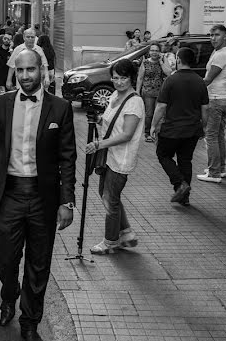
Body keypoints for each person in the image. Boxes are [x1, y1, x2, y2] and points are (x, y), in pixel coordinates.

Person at [0, 49, 77, 341]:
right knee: (5, 258)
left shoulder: (60, 108)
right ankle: (9, 296)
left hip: (43, 197)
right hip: (9, 194)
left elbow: (67, 157)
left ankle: (30, 323)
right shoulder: (1, 104)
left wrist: (67, 201)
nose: (25, 76)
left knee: (39, 263)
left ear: (42, 70)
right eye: (20, 71)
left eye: (31, 70)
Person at [85, 60, 144, 254]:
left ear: (131, 78)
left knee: (110, 199)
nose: (118, 82)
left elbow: (126, 134)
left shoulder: (135, 102)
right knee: (109, 196)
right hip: (109, 156)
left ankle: (110, 241)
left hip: (121, 159)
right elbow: (111, 122)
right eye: (115, 77)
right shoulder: (113, 96)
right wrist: (99, 118)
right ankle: (126, 232)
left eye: (123, 78)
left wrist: (98, 144)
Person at [150, 48, 209, 206]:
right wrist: (203, 127)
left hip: (172, 129)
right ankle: (184, 197)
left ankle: (180, 184)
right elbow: (205, 109)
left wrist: (153, 125)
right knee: (185, 160)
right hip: (192, 130)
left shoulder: (171, 80)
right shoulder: (200, 81)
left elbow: (161, 106)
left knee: (163, 155)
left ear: (178, 60)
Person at [197, 25, 226, 183]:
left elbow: (207, 79)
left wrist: (191, 87)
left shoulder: (221, 54)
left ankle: (214, 173)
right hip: (224, 98)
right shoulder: (225, 52)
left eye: (217, 35)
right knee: (218, 135)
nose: (213, 38)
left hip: (216, 98)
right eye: (211, 35)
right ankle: (220, 169)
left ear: (225, 36)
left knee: (211, 136)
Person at [136, 43, 167, 142]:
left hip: (160, 92)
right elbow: (140, 78)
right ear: (149, 52)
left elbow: (169, 73)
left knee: (159, 114)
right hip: (148, 92)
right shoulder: (145, 62)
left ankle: (157, 133)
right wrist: (137, 91)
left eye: (156, 50)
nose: (154, 52)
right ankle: (148, 133)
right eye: (152, 50)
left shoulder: (162, 62)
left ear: (159, 52)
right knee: (149, 113)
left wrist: (162, 62)